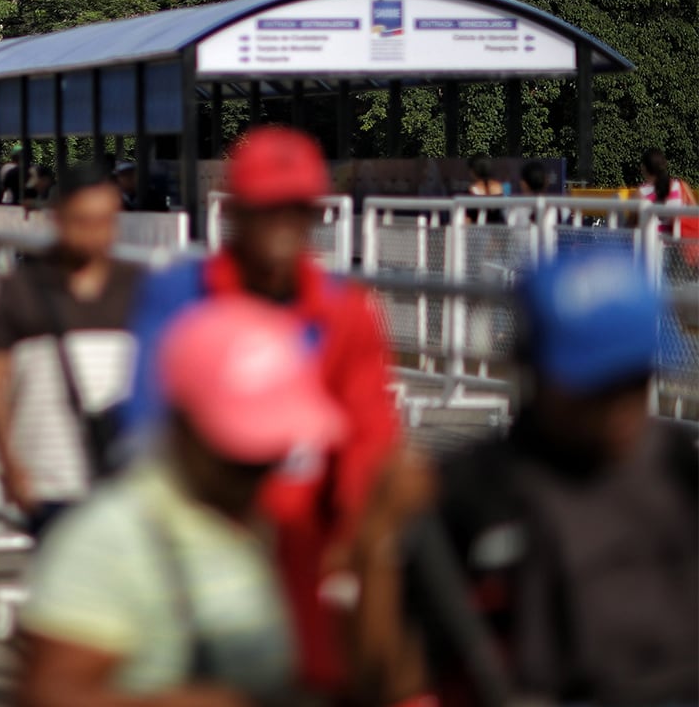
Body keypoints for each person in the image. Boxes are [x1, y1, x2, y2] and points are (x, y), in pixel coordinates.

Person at [124, 125, 400, 698]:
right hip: (196, 553)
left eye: (298, 208)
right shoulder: (181, 295)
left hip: (306, 556)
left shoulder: (344, 311)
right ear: (235, 213)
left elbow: (369, 440)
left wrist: (355, 543)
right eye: (267, 208)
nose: (284, 223)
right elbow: (147, 424)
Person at [17, 296, 345, 707]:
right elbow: (49, 694)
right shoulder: (112, 537)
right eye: (241, 448)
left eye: (274, 447)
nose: (260, 465)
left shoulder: (271, 526)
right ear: (182, 423)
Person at [432, 252, 697, 705]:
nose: (619, 406)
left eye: (634, 378)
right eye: (595, 383)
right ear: (531, 367)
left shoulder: (679, 469)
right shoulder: (476, 491)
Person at [0, 163, 144, 537]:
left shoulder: (137, 286)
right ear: (57, 220)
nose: (95, 233)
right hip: (47, 478)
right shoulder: (21, 289)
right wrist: (9, 463)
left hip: (122, 479)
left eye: (105, 221)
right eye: (82, 220)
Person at [639, 147, 689, 237]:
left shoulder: (642, 193)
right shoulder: (679, 186)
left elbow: (630, 224)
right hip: (678, 246)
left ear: (644, 168)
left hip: (651, 246)